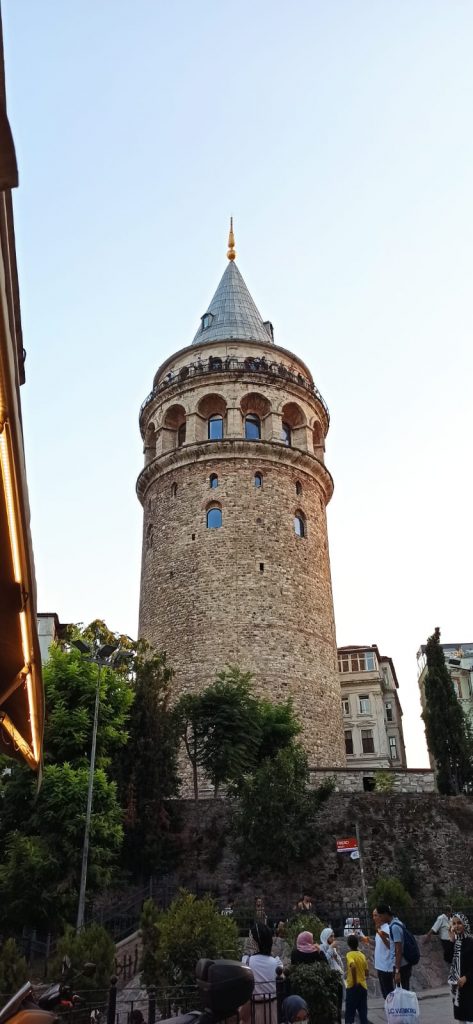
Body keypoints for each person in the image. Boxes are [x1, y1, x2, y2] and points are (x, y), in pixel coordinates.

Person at [240, 922, 282, 1024]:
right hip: (272, 1012)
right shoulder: (275, 962)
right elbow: (281, 972)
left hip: (253, 1012)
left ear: (254, 941)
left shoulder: (246, 961)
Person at [375, 903, 411, 990]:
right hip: (401, 965)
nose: (379, 919)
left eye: (380, 916)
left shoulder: (394, 927)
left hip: (401, 965)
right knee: (401, 993)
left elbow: (398, 949)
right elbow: (395, 940)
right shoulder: (397, 923)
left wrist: (397, 971)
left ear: (385, 914)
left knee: (402, 993)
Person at [448, 913, 473, 1022]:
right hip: (457, 986)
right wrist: (451, 939)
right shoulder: (455, 942)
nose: (456, 926)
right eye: (454, 923)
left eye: (459, 923)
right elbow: (448, 958)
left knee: (470, 1016)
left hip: (470, 984)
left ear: (465, 924)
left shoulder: (471, 942)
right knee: (461, 1017)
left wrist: (466, 977)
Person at [320, 927, 344, 1024]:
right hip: (330, 980)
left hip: (338, 980)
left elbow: (340, 964)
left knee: (339, 1004)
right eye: (331, 936)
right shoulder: (322, 947)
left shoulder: (332, 948)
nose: (333, 938)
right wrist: (330, 949)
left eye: (334, 936)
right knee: (332, 1005)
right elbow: (325, 960)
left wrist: (335, 955)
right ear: (326, 937)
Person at [345, 934, 369, 1024]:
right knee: (363, 1013)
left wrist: (355, 982)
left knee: (350, 1014)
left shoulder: (349, 954)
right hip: (363, 987)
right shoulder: (362, 955)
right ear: (357, 944)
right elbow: (367, 972)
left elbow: (353, 966)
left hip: (353, 987)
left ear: (348, 944)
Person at [372, 908, 394, 998]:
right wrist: (365, 939)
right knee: (385, 994)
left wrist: (380, 934)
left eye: (375, 915)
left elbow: (390, 946)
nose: (373, 918)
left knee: (389, 993)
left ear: (381, 916)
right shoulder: (379, 929)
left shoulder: (387, 929)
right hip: (379, 966)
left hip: (386, 967)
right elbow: (378, 944)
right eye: (373, 915)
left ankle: (392, 1010)